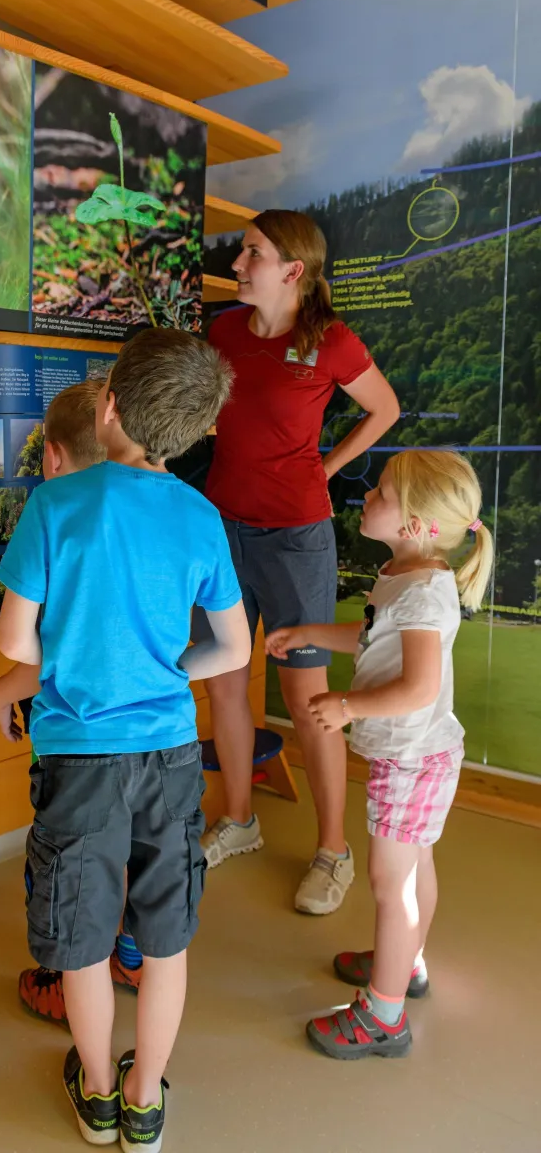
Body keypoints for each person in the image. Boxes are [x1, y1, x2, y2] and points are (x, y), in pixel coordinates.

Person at [0, 330, 250, 1151]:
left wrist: (72, 657)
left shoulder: (56, 504)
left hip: (77, 758)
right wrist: (168, 668)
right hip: (170, 757)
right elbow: (233, 649)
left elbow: (14, 643)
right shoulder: (201, 516)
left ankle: (98, 1091)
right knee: (165, 938)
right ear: (195, 432)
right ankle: (144, 1103)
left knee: (81, 938)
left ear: (107, 407)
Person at [196, 209, 401, 916]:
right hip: (222, 529)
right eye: (242, 251)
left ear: (293, 269)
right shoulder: (223, 332)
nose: (238, 263)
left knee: (311, 702)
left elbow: (384, 409)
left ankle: (332, 851)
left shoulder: (330, 340)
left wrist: (327, 465)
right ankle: (238, 820)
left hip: (294, 537)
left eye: (252, 253)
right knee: (224, 683)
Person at [266, 450, 493, 1058]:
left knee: (393, 884)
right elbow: (373, 638)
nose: (367, 494)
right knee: (413, 870)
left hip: (411, 760)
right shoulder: (405, 575)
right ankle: (404, 960)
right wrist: (311, 634)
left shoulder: (423, 595)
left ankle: (383, 1016)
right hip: (417, 755)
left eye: (382, 491)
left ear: (415, 524)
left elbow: (418, 687)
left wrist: (347, 706)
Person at [0, 379, 144, 1026]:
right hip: (152, 744)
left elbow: (44, 653)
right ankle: (129, 954)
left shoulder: (52, 512)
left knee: (71, 868)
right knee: (131, 850)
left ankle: (62, 982)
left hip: (75, 745)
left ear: (51, 456)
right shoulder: (148, 514)